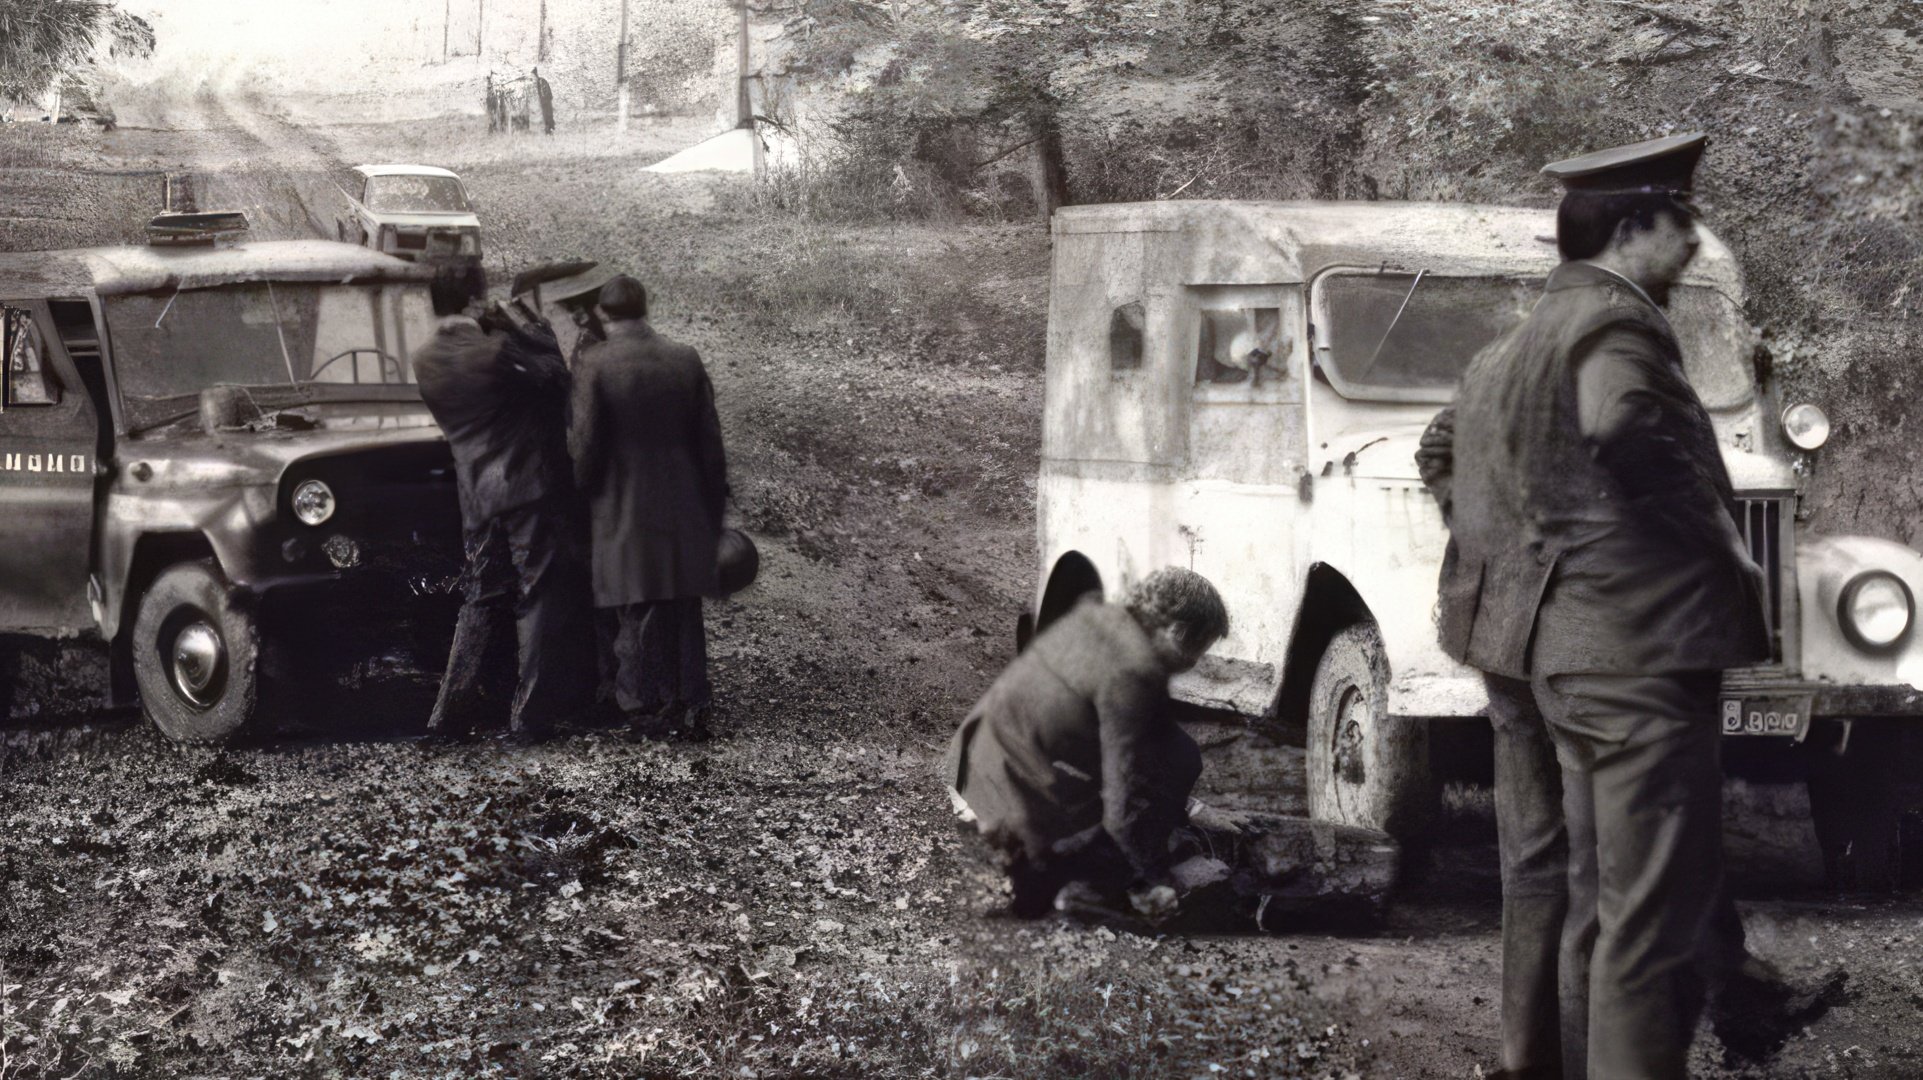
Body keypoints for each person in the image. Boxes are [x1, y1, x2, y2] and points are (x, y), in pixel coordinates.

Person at [1418, 133, 1772, 1080]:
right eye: (1680, 225)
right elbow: (1623, 432)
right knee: (1636, 914)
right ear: (1630, 230)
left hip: (1528, 644)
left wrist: (1506, 539)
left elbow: (1439, 448)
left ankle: (1545, 1063)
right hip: (1621, 646)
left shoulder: (1506, 348)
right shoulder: (1617, 330)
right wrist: (1711, 541)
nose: (1693, 246)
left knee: (1569, 887)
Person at [943, 568, 1230, 921]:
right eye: (1197, 651)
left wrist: (1191, 808)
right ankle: (1086, 890)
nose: (1192, 664)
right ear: (1176, 632)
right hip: (1006, 802)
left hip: (969, 765)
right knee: (1180, 758)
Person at [412, 263, 592, 744]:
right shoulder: (496, 350)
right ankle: (529, 719)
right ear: (474, 302)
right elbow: (557, 380)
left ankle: (447, 716)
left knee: (479, 597)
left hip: (476, 494)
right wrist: (527, 327)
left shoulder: (425, 357)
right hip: (526, 487)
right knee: (536, 595)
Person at [570, 276, 729, 740]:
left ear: (603, 313)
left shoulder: (595, 363)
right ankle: (692, 699)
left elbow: (586, 445)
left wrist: (580, 497)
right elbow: (710, 444)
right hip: (684, 501)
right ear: (645, 309)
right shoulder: (685, 358)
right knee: (682, 602)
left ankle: (641, 705)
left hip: (624, 501)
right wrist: (713, 508)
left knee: (636, 600)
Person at [534, 66, 555, 135]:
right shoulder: (539, 81)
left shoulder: (541, 81)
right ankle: (549, 130)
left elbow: (545, 93)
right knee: (546, 115)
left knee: (548, 115)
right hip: (544, 102)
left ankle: (550, 129)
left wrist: (543, 100)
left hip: (546, 102)